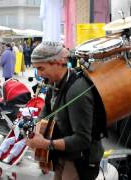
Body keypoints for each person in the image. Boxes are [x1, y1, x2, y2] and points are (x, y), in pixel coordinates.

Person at [26, 41, 104, 180]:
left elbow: (82, 140)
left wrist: (45, 144)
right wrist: (37, 131)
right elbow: (47, 110)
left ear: (57, 63)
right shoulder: (54, 83)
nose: (38, 74)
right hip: (63, 153)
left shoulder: (76, 91)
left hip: (80, 160)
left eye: (41, 68)